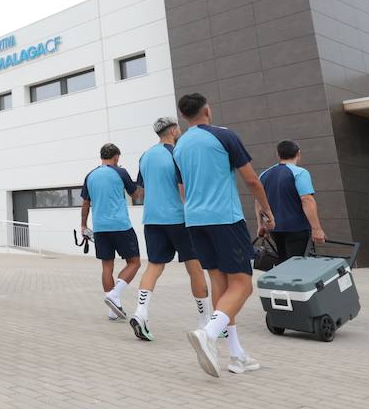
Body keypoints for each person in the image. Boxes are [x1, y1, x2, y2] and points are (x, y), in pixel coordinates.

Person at [174, 93, 274, 378]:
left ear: (183, 116)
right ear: (208, 109)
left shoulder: (180, 146)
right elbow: (252, 179)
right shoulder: (223, 136)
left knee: (219, 280)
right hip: (225, 219)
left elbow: (182, 189)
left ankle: (236, 355)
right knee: (243, 285)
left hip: (195, 221)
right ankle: (208, 333)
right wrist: (266, 211)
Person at [128, 116, 211, 342]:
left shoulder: (145, 156)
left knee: (154, 267)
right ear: (173, 131)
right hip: (178, 218)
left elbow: (140, 191)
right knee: (195, 268)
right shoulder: (178, 153)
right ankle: (206, 322)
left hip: (152, 219)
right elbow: (184, 187)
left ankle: (141, 313)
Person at [80, 143, 142, 321]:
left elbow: (85, 203)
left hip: (100, 228)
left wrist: (83, 226)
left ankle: (113, 310)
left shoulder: (90, 175)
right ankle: (115, 295)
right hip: (121, 226)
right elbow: (136, 195)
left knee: (107, 267)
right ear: (116, 157)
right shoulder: (120, 172)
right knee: (134, 262)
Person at [259, 140, 326, 260]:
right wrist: (317, 229)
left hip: (275, 229)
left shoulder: (264, 174)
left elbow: (258, 202)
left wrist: (261, 224)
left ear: (278, 155)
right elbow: (307, 199)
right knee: (297, 266)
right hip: (297, 228)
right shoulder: (300, 173)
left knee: (284, 264)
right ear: (298, 153)